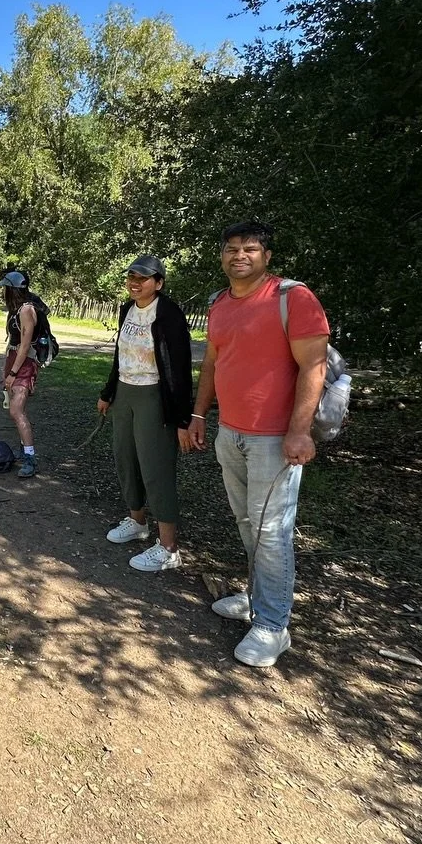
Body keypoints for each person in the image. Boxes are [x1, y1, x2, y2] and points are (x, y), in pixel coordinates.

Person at [188, 221, 330, 668]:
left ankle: (273, 626)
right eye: (232, 249)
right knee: (248, 523)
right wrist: (198, 414)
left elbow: (314, 366)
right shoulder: (220, 303)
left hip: (274, 438)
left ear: (266, 256)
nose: (240, 256)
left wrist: (299, 430)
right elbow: (213, 360)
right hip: (230, 432)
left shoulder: (293, 298)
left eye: (250, 249)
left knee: (272, 532)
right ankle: (255, 599)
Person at [97, 256, 193, 572]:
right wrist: (108, 392)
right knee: (125, 458)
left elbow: (178, 371)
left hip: (155, 396)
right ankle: (137, 521)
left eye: (144, 278)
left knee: (156, 466)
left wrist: (182, 419)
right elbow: (119, 357)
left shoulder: (170, 315)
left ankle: (168, 547)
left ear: (159, 283)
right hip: (126, 392)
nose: (135, 283)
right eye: (131, 277)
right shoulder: (127, 310)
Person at [0, 270, 41, 478]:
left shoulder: (26, 311)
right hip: (14, 360)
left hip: (24, 363)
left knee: (16, 410)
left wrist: (13, 372)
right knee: (15, 409)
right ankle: (25, 450)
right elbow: (13, 343)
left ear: (12, 290)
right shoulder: (16, 310)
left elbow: (24, 346)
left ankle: (30, 458)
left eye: (5, 288)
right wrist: (5, 369)